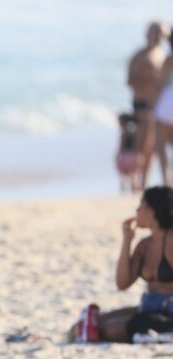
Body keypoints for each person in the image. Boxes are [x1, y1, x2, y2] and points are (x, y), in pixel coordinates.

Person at [79, 186, 173, 342]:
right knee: (98, 322)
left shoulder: (170, 241)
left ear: (152, 212)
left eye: (141, 206)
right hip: (149, 307)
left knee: (107, 330)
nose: (136, 211)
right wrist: (127, 240)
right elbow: (122, 283)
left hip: (167, 311)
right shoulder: (145, 245)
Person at [128, 22, 169, 187]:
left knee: (152, 149)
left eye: (161, 33)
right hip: (142, 105)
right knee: (139, 146)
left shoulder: (164, 56)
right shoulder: (139, 56)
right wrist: (149, 77)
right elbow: (130, 81)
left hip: (158, 109)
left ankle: (144, 183)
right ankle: (134, 182)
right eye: (155, 32)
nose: (157, 36)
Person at [116, 113, 141, 192]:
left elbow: (122, 145)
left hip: (126, 155)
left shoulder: (124, 132)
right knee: (133, 174)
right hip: (134, 155)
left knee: (124, 176)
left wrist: (117, 156)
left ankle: (123, 190)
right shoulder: (134, 131)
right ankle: (135, 190)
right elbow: (137, 144)